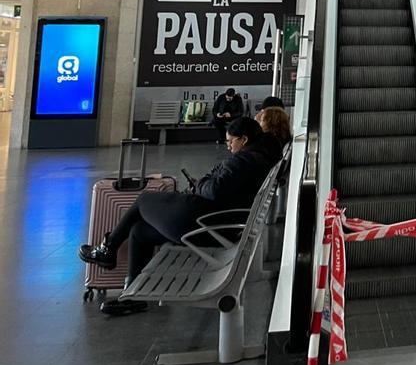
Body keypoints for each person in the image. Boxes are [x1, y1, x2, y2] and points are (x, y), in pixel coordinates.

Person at [78, 117, 275, 316]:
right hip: (218, 222)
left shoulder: (245, 160)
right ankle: (132, 295)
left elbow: (215, 190)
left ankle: (108, 248)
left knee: (144, 199)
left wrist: (201, 183)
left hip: (205, 224)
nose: (228, 146)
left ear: (244, 139)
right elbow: (221, 185)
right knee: (140, 231)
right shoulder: (258, 157)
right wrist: (208, 181)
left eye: (231, 141)